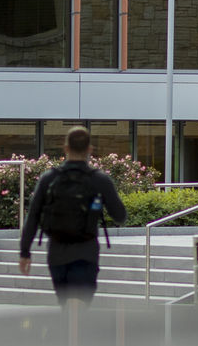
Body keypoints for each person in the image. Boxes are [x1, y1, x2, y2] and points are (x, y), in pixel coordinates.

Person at [19, 126, 127, 316]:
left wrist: (24, 252)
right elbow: (120, 216)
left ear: (66, 148)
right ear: (89, 150)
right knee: (78, 313)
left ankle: (66, 342)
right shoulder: (99, 180)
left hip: (57, 255)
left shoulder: (49, 178)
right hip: (86, 253)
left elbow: (33, 216)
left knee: (66, 309)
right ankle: (75, 343)